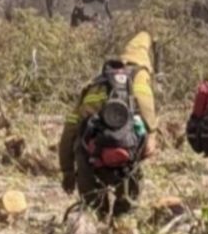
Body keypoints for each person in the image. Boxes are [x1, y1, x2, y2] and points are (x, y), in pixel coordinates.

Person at [58, 31, 158, 218]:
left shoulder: (96, 83)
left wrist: (67, 171)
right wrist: (152, 135)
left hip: (90, 158)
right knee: (127, 207)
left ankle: (96, 225)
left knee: (93, 211)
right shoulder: (139, 77)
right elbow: (147, 110)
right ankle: (122, 227)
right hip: (126, 159)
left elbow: (70, 128)